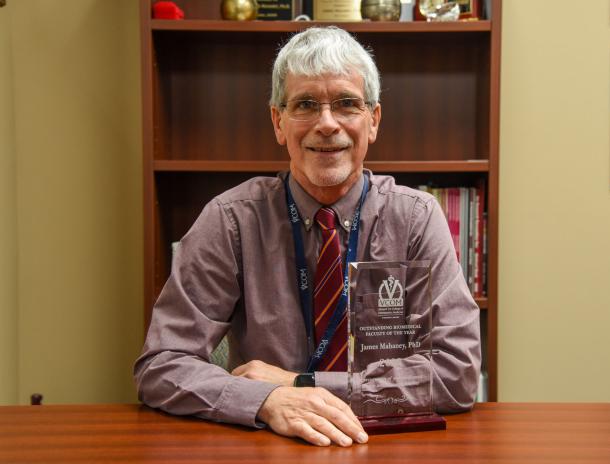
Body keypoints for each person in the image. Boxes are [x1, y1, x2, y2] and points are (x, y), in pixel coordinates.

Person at [134, 26, 480, 447]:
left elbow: (457, 373)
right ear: (279, 122)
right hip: (265, 444)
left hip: (387, 444)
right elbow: (162, 365)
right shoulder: (230, 220)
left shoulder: (416, 218)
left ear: (373, 120)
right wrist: (265, 401)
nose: (327, 124)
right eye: (306, 105)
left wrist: (302, 383)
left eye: (347, 104)